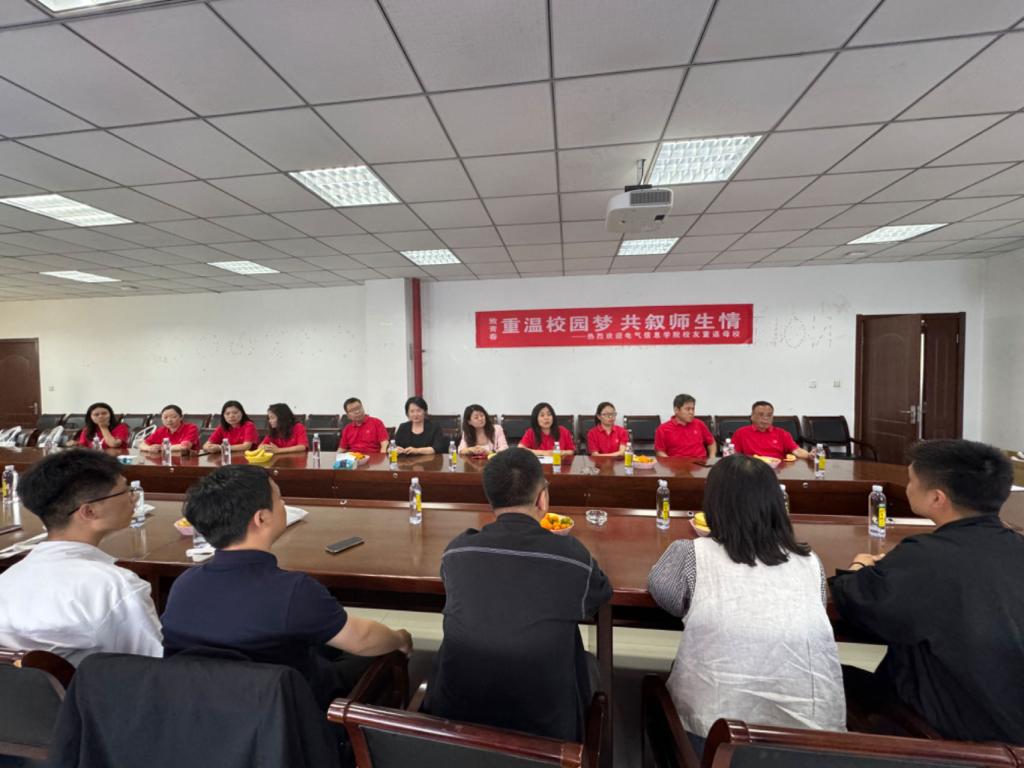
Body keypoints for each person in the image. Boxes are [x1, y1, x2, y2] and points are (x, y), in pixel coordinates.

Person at [160, 465, 412, 709]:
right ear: (261, 518)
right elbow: (363, 639)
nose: (284, 504)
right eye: (280, 499)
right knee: (384, 650)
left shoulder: (184, 584)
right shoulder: (293, 591)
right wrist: (400, 637)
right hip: (292, 709)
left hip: (208, 709)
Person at [648, 454, 845, 758]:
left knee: (655, 688)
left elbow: (666, 596)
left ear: (713, 505)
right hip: (811, 742)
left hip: (715, 737)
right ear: (775, 505)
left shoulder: (691, 554)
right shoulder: (809, 563)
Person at [830, 439, 1022, 744]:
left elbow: (855, 601)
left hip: (961, 725)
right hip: (1007, 712)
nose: (907, 488)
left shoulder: (925, 556)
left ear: (936, 498)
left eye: (911, 481)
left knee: (825, 672)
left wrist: (858, 567)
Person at [428, 448, 611, 740]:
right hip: (547, 739)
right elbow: (600, 594)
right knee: (585, 661)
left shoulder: (457, 551)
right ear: (543, 499)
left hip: (456, 731)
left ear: (490, 500)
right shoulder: (571, 556)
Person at [0, 449, 162, 665]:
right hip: (90, 686)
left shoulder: (7, 579)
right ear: (89, 512)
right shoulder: (115, 587)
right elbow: (149, 666)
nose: (133, 498)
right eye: (126, 491)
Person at [731, 400, 811, 460]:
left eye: (769, 415)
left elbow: (797, 451)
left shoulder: (782, 433)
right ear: (752, 416)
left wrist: (809, 455)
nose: (765, 418)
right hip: (752, 468)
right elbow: (733, 455)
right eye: (761, 415)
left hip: (777, 468)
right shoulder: (741, 433)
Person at [655, 394, 716, 460]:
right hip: (677, 464)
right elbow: (660, 451)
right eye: (688, 409)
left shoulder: (699, 424)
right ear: (676, 410)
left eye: (693, 409)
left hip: (700, 463)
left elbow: (711, 442)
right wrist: (670, 463)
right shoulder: (662, 429)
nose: (691, 412)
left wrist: (712, 458)